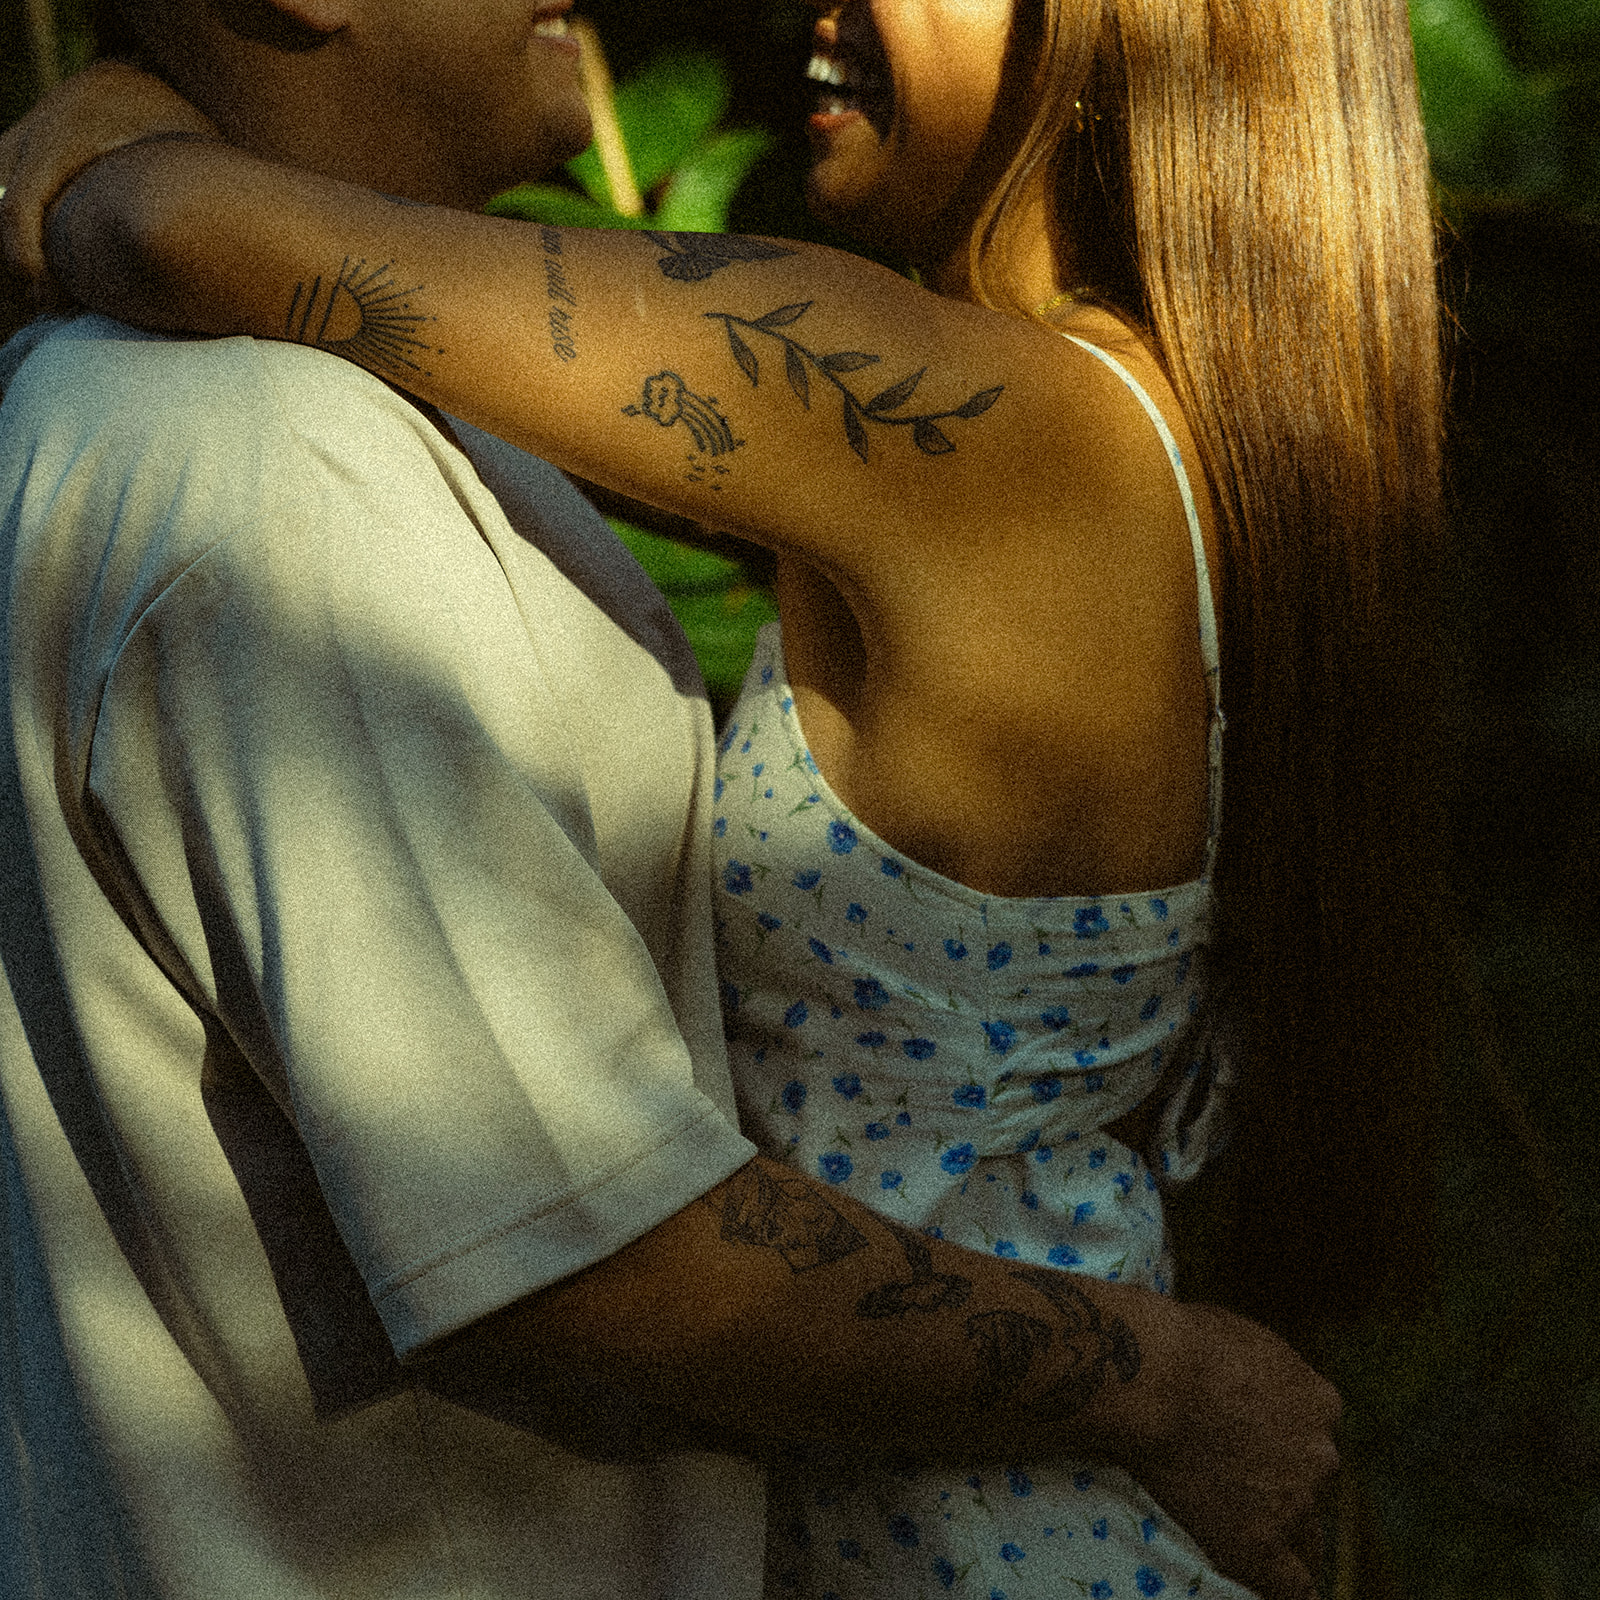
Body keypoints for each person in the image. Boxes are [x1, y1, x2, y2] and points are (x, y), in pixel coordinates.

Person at [0, 0, 1424, 1595]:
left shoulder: (964, 413)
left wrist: (95, 135)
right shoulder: (1117, 426)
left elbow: (176, 231)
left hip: (988, 1528)